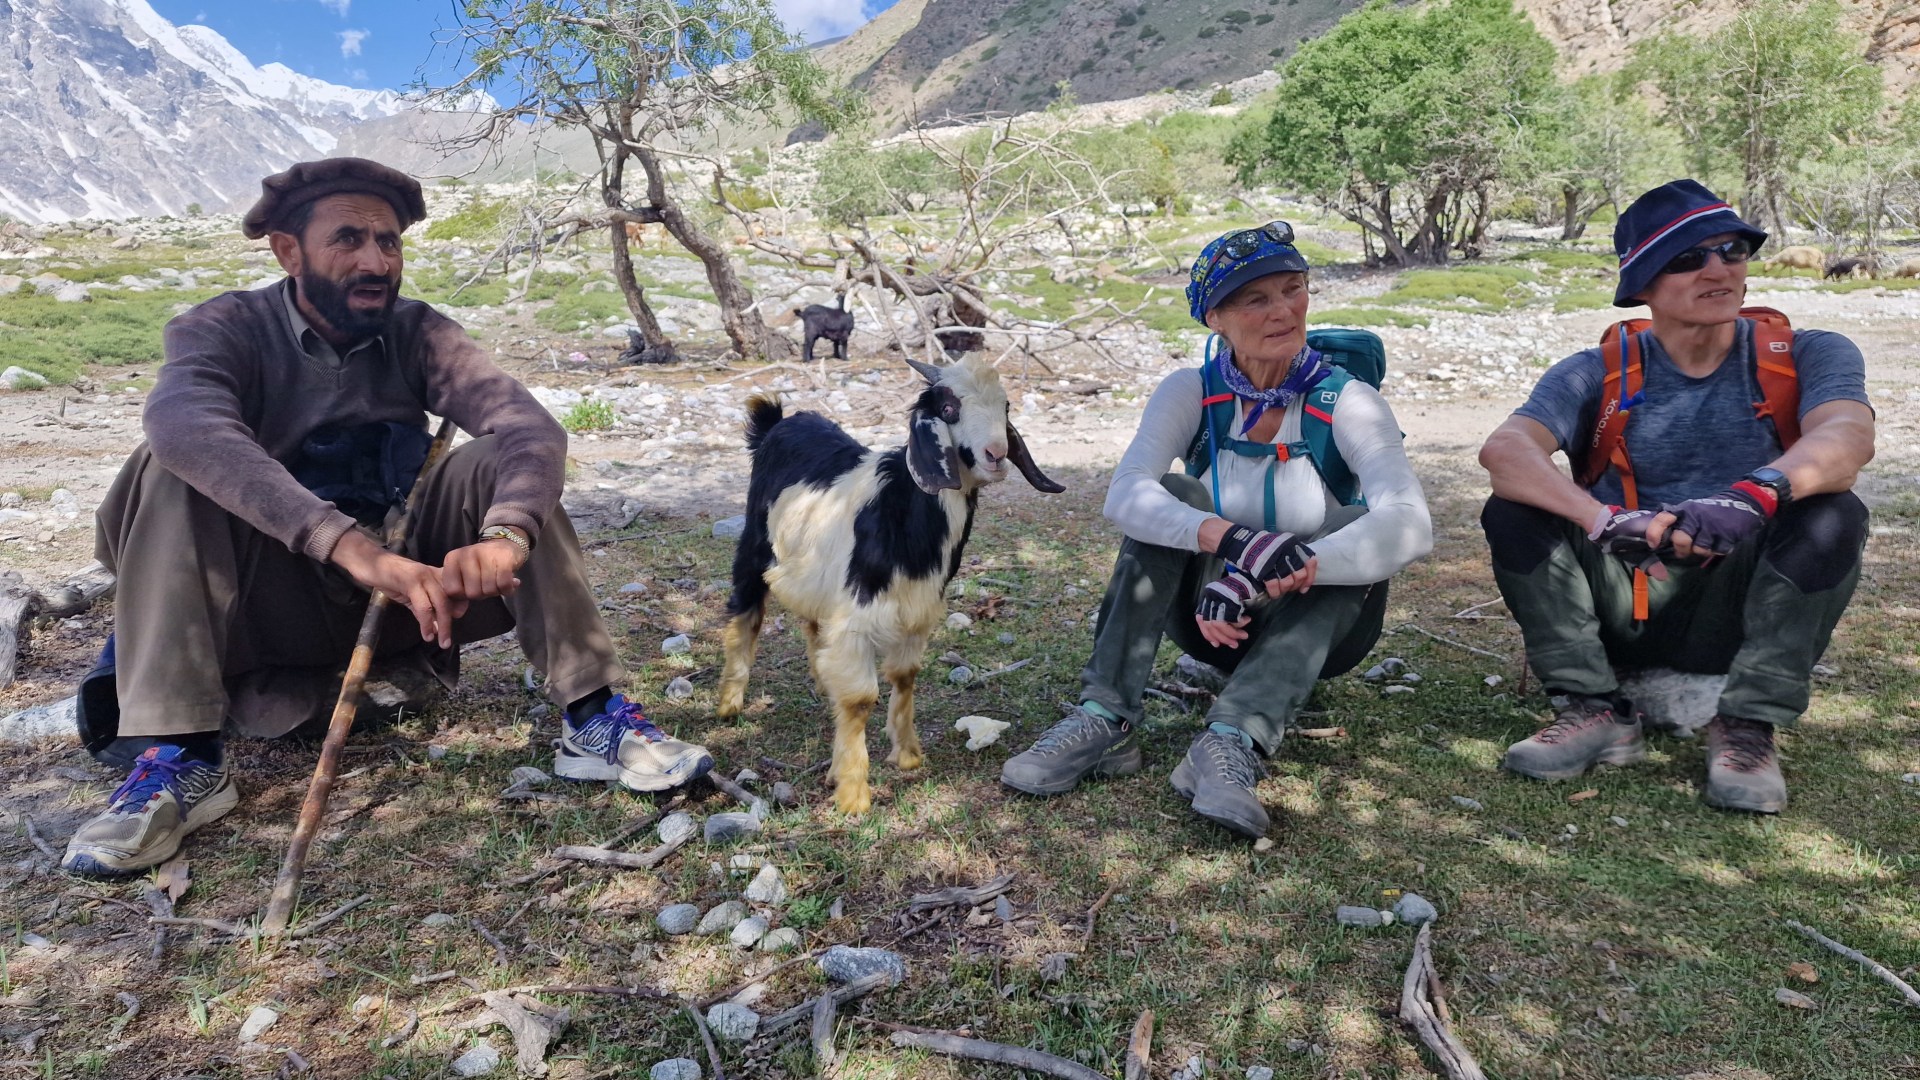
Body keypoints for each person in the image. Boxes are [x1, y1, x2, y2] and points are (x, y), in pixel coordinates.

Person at [61, 158, 713, 878]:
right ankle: (180, 759)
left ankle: (592, 716)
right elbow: (184, 424)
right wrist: (343, 543)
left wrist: (505, 532)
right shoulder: (222, 329)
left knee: (506, 462)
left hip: (404, 602)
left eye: (390, 242)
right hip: (263, 606)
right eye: (348, 239)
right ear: (288, 251)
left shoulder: (420, 333)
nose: (376, 261)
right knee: (168, 468)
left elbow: (529, 426)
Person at [998, 222, 1433, 837]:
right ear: (1215, 319)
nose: (1284, 310)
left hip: (1316, 630)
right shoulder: (1190, 392)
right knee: (1171, 493)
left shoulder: (1349, 401)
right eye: (1256, 299)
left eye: (1294, 288)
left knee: (1357, 523)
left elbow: (1412, 523)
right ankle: (1104, 719)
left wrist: (1263, 577)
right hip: (1208, 624)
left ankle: (1230, 741)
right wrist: (1233, 543)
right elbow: (1124, 493)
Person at [1477, 179, 1875, 813]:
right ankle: (1593, 707)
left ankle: (1747, 727)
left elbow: (1848, 436)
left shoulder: (1807, 353)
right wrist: (1604, 521)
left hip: (1737, 611)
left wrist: (1752, 497)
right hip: (1626, 602)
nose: (1717, 268)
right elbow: (1506, 451)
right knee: (1514, 507)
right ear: (1643, 284)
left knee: (1834, 512)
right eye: (1688, 257)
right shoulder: (1596, 370)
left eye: (1733, 249)